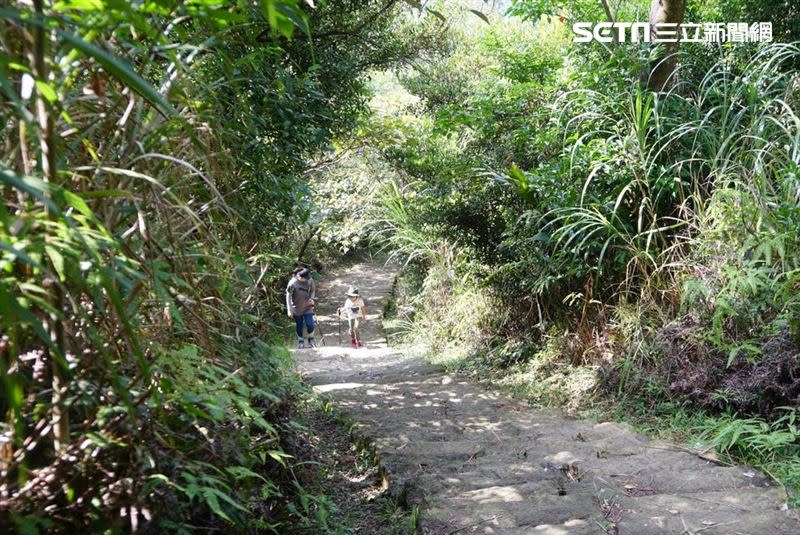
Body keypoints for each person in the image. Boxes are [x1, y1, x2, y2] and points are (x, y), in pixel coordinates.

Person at [286, 267, 316, 348]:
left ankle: (311, 339)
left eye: (307, 278)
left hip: (307, 306)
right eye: (304, 279)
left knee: (310, 324)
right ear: (299, 277)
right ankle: (300, 340)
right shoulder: (292, 283)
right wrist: (289, 309)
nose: (306, 280)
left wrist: (312, 299)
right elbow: (288, 296)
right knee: (299, 325)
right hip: (296, 307)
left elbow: (313, 290)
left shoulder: (310, 280)